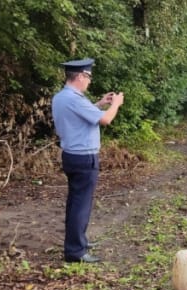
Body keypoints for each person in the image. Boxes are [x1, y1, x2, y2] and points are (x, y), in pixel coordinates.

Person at [52, 58, 124, 263]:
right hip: (84, 158)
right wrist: (116, 104)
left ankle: (77, 241)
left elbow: (81, 116)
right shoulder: (75, 99)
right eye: (88, 77)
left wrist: (100, 103)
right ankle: (76, 251)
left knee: (75, 202)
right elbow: (105, 120)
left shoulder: (62, 97)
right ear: (81, 76)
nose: (89, 82)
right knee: (81, 204)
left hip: (71, 156)